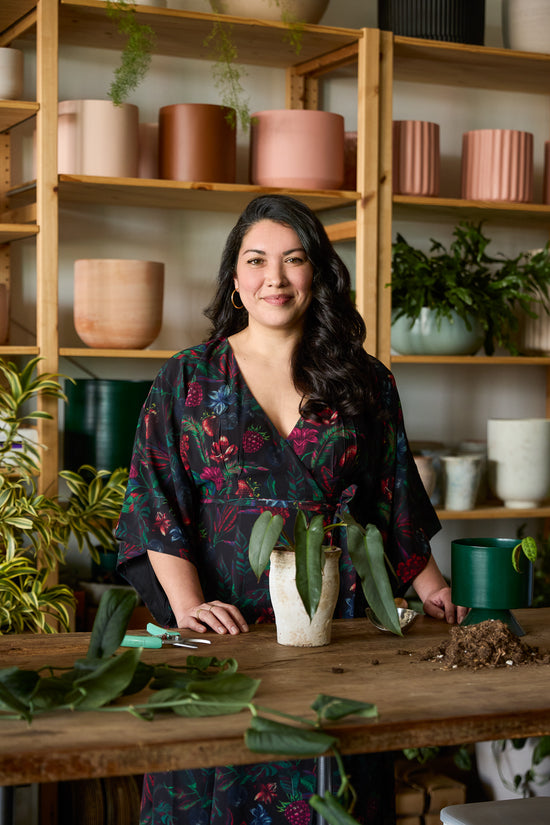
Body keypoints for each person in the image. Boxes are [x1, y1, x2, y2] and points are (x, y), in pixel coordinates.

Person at [116, 193, 467, 825]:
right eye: (255, 261)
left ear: (318, 275)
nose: (273, 278)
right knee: (213, 785)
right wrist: (191, 607)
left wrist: (434, 588)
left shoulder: (364, 379)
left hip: (336, 634)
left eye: (293, 260)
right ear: (234, 281)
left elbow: (393, 495)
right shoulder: (188, 378)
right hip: (227, 639)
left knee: (336, 789)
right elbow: (154, 501)